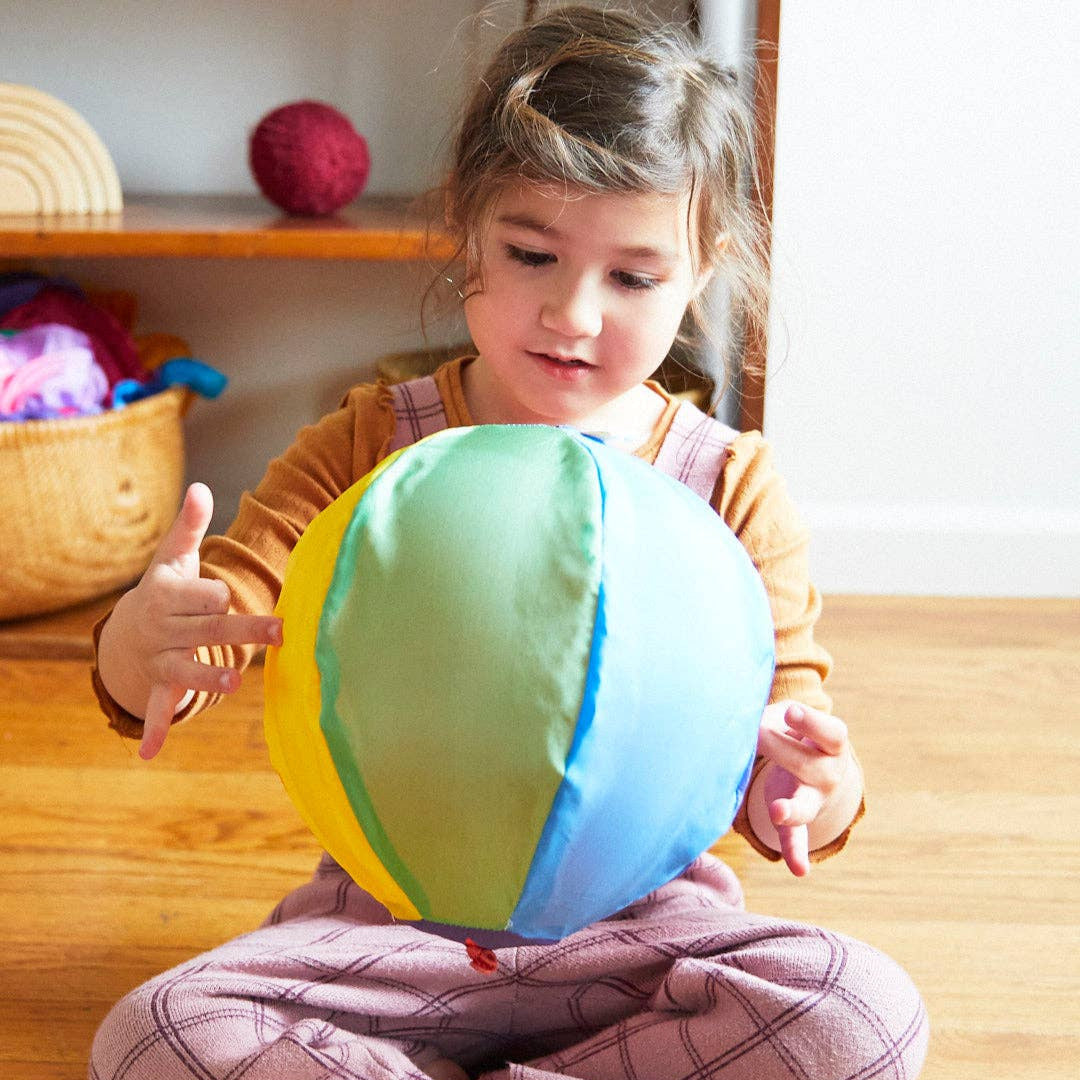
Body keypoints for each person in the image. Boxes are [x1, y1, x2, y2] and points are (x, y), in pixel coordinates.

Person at [89, 7, 928, 1079]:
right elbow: (215, 632)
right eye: (532, 254)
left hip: (643, 938)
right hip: (387, 931)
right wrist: (143, 639)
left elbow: (792, 742)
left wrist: (816, 783)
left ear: (701, 274)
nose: (573, 314)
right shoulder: (367, 446)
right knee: (155, 1036)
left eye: (633, 277)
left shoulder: (727, 483)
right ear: (466, 229)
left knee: (863, 1019)